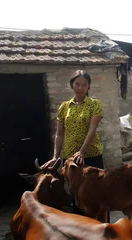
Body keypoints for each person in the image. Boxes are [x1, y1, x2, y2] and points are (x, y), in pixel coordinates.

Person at [41, 70, 104, 215]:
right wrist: (56, 157)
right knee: (76, 195)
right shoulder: (64, 107)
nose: (80, 88)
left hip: (91, 155)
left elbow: (92, 129)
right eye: (77, 84)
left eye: (84, 85)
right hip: (70, 159)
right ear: (72, 85)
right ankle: (79, 229)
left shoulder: (94, 104)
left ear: (89, 87)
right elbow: (60, 133)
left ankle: (101, 231)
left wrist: (82, 151)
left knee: (95, 194)